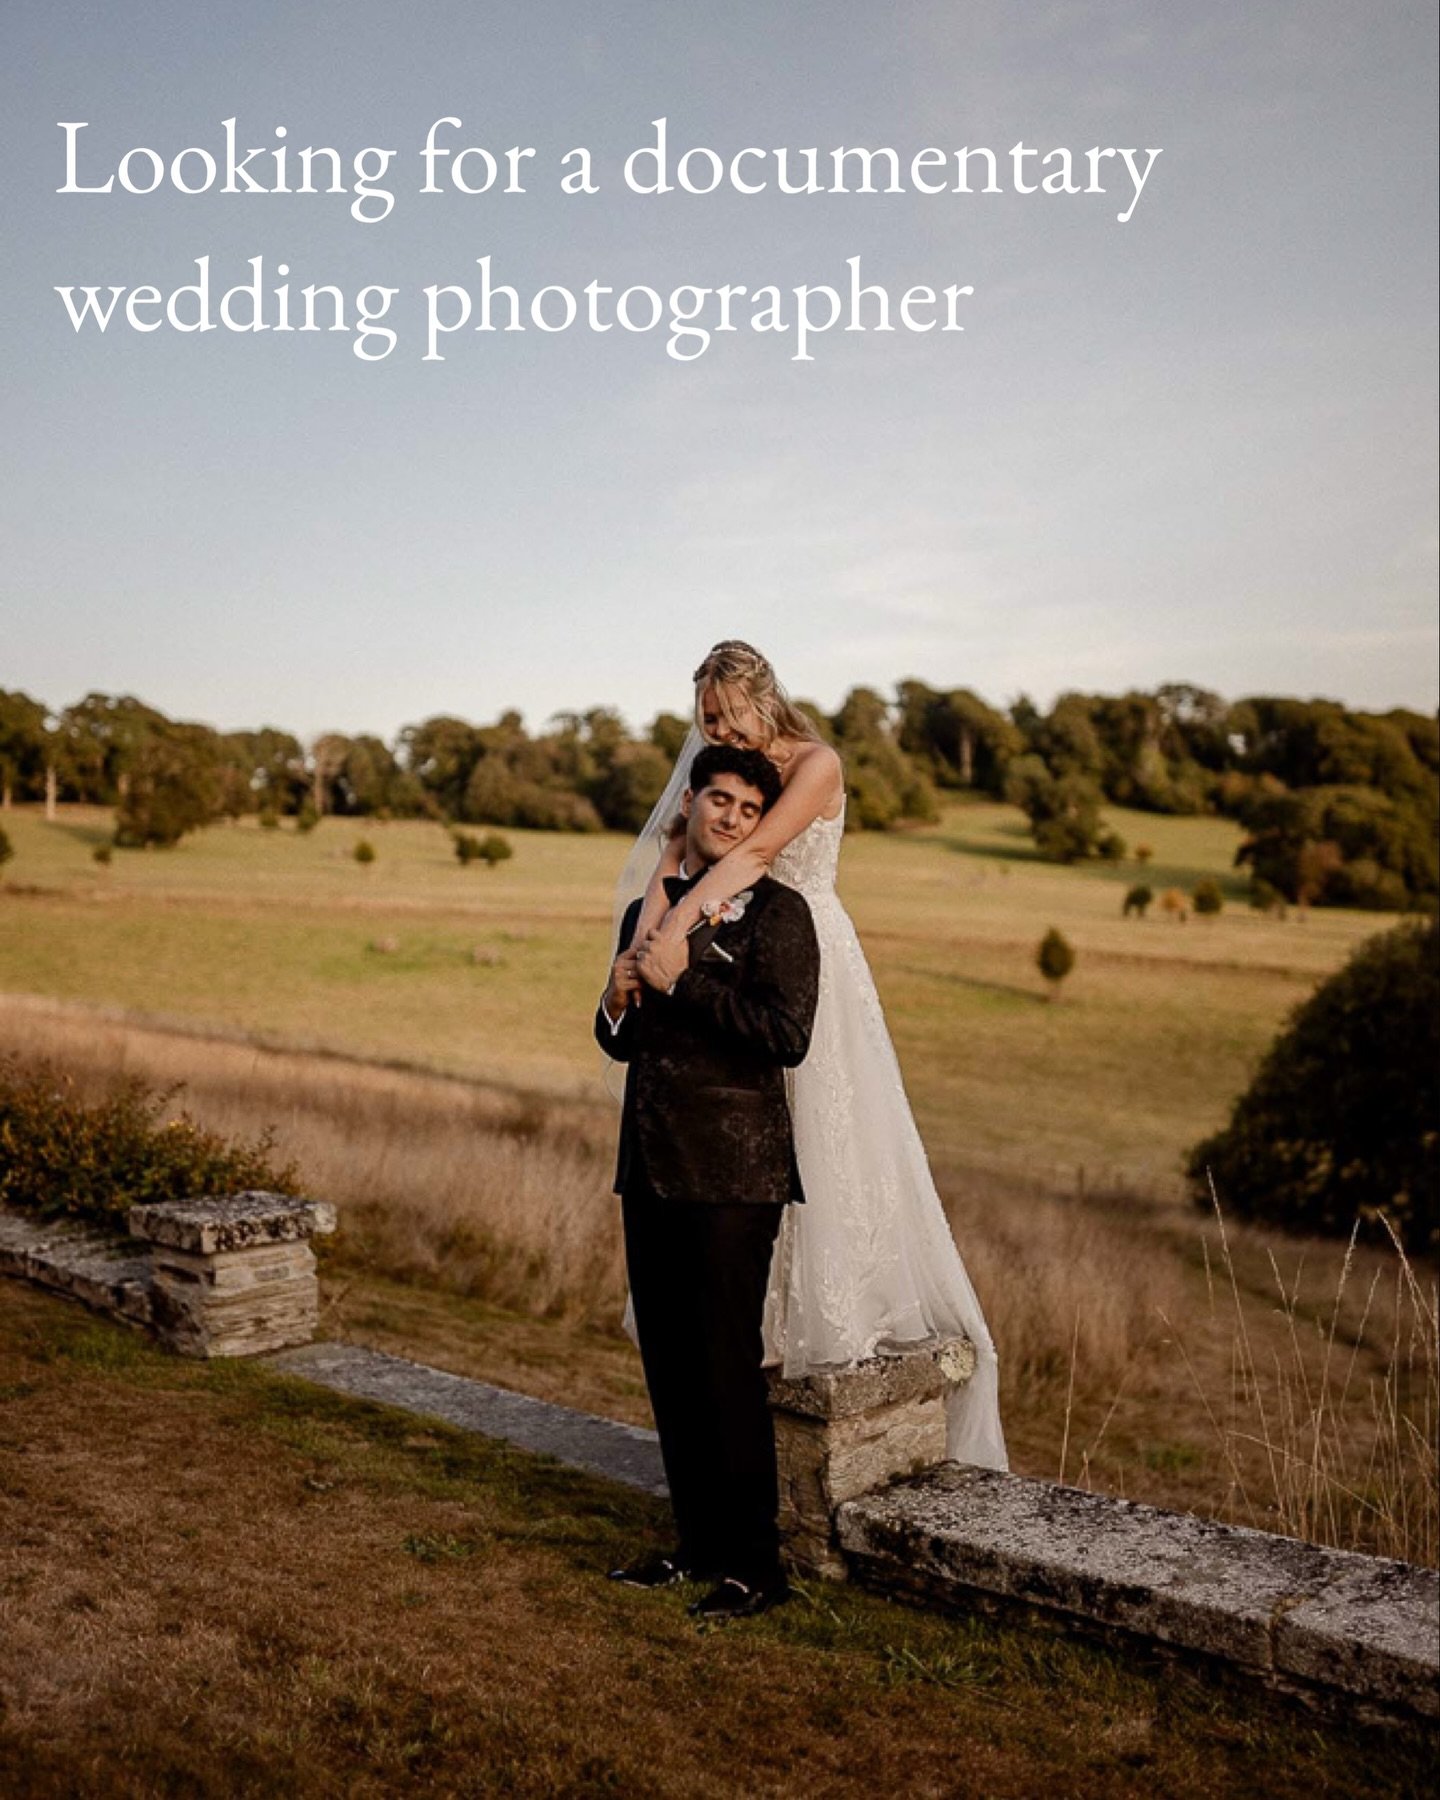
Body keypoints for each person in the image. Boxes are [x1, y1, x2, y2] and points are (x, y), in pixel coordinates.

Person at [616, 641, 1007, 1473]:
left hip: (803, 948)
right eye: (708, 721)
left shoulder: (815, 764)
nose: (719, 732)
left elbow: (756, 857)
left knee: (827, 1129)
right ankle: (753, 1311)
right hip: (729, 948)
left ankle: (838, 1308)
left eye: (730, 716)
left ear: (764, 699)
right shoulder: (725, 777)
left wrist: (675, 933)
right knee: (740, 1128)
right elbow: (675, 857)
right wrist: (650, 940)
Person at [597, 742, 821, 1620]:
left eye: (748, 810)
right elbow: (621, 1039)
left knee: (727, 1366)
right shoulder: (646, 910)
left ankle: (756, 1567)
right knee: (671, 1365)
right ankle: (695, 1548)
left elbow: (786, 1036)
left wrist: (684, 984)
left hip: (734, 1174)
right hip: (648, 1165)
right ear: (688, 802)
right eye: (718, 800)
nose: (730, 817)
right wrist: (616, 1000)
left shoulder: (779, 913)